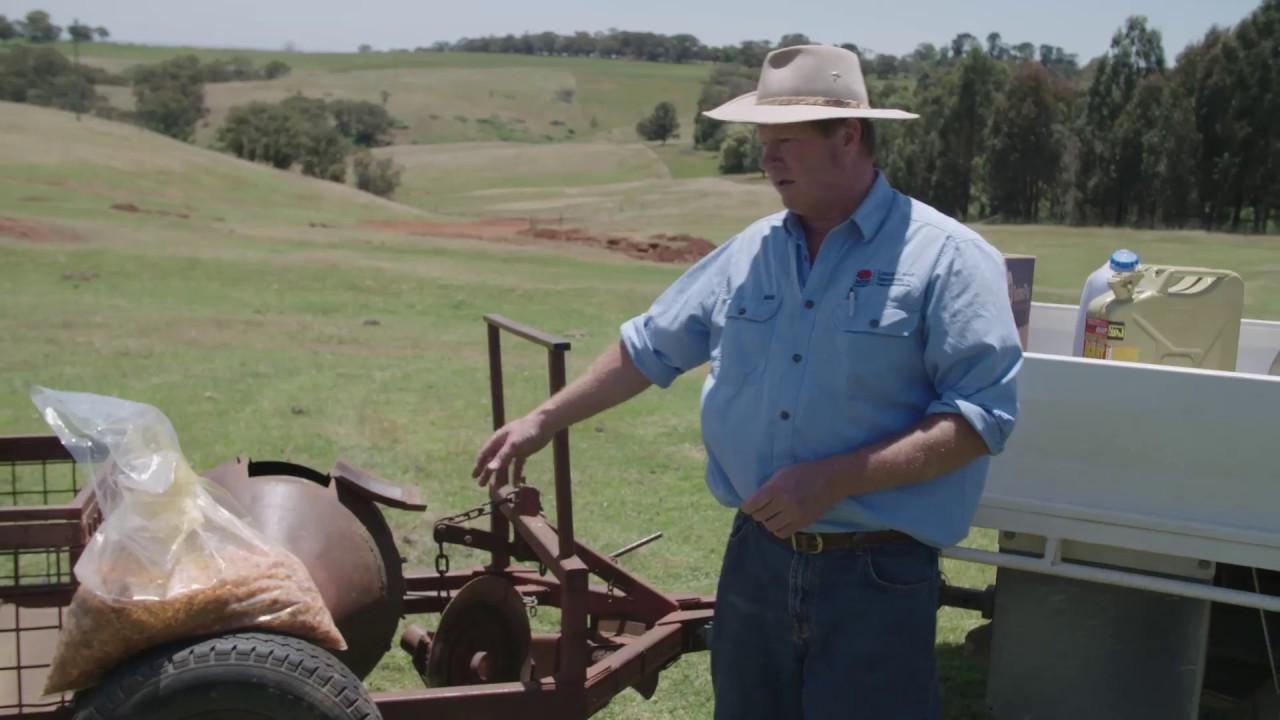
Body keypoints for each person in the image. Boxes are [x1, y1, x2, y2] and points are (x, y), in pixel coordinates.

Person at [472, 44, 1023, 720]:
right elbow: (649, 348)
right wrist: (542, 420)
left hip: (875, 574)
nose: (766, 161)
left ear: (848, 137)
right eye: (763, 144)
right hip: (756, 559)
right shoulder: (753, 249)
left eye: (784, 143)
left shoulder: (948, 258)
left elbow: (978, 419)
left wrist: (835, 478)